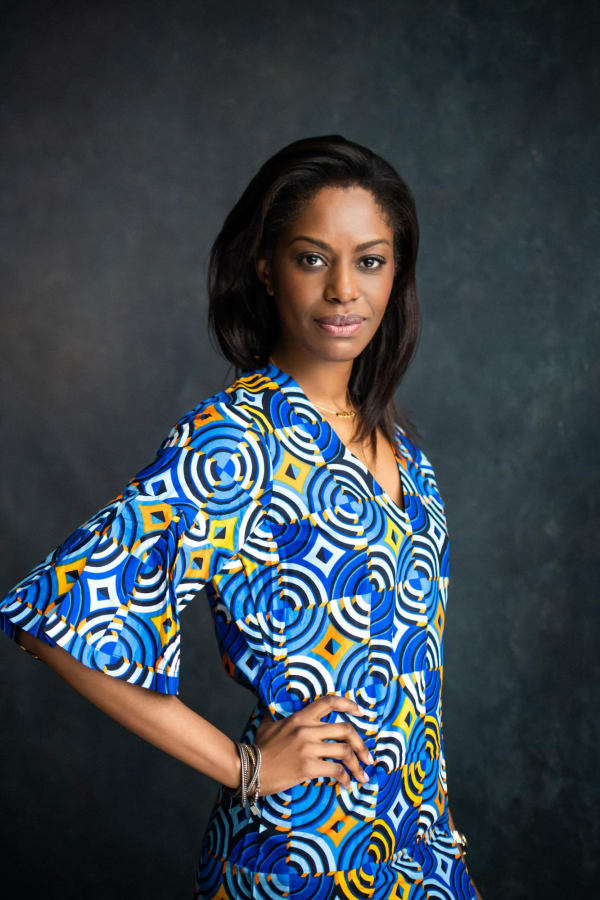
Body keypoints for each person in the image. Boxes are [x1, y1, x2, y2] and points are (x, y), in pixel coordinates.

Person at [1, 134, 482, 899]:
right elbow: (52, 616)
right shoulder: (236, 438)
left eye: (370, 260)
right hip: (295, 859)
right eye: (312, 258)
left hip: (419, 861)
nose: (343, 292)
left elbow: (418, 691)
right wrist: (244, 765)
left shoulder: (402, 450)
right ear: (266, 267)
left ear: (397, 274)